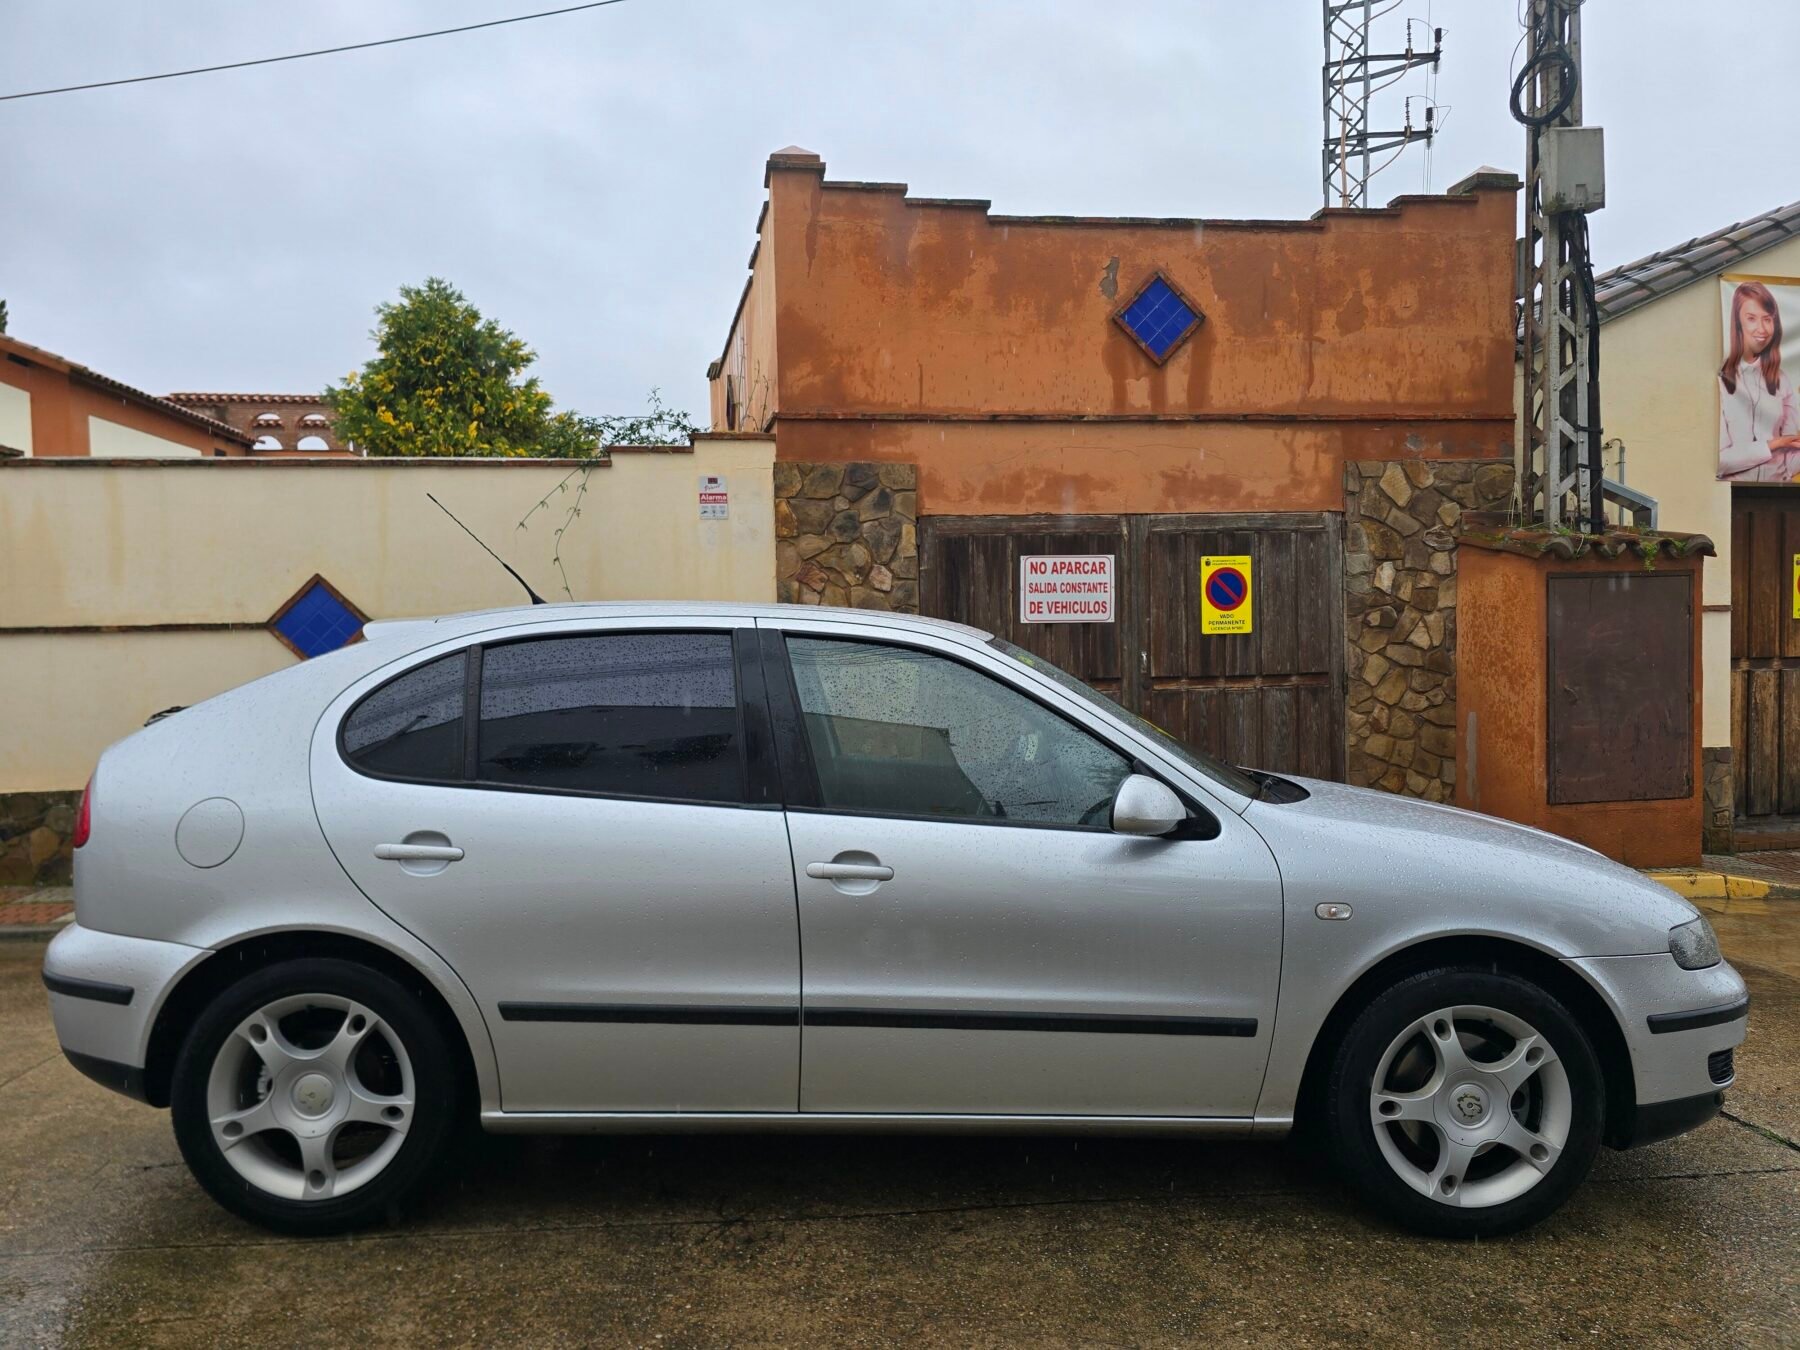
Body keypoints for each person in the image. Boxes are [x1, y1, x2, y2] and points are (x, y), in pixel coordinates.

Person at [1719, 281, 1800, 480]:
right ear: (1738, 322)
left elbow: (1789, 459)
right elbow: (1719, 462)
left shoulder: (1780, 378)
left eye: (1767, 319)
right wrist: (1774, 444)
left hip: (1778, 498)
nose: (1762, 329)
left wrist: (1789, 449)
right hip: (1732, 499)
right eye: (1751, 318)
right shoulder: (1720, 379)